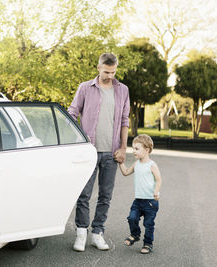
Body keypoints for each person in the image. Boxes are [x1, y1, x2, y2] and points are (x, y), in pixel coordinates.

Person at [68, 53, 130, 252]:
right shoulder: (85, 88)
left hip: (112, 154)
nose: (110, 76)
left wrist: (123, 148)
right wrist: (78, 142)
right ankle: (81, 233)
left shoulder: (123, 90)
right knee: (84, 195)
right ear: (98, 68)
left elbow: (124, 121)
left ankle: (97, 233)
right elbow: (72, 114)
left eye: (113, 72)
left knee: (105, 196)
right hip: (89, 153)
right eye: (106, 72)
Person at [118, 134, 162, 254]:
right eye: (133, 148)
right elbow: (126, 172)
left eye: (137, 149)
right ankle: (135, 234)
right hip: (138, 200)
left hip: (150, 202)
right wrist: (120, 162)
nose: (134, 151)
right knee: (132, 218)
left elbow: (158, 180)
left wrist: (156, 192)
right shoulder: (136, 164)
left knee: (148, 224)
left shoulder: (152, 165)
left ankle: (148, 244)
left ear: (147, 150)